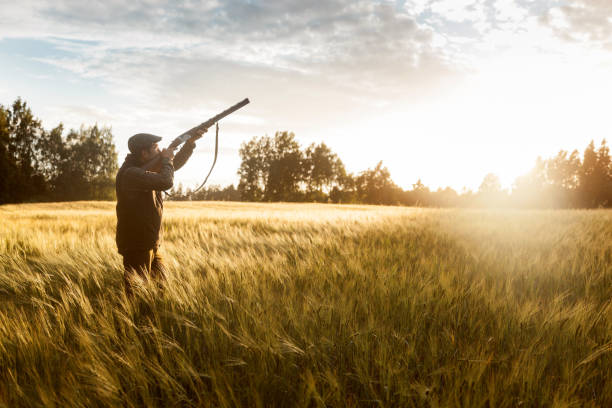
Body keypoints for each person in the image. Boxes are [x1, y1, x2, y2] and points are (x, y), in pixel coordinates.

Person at [115, 130, 205, 297]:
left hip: (150, 242)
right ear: (144, 153)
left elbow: (172, 166)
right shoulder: (130, 174)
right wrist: (167, 159)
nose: (160, 150)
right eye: (156, 147)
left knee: (161, 292)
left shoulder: (142, 170)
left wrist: (189, 143)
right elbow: (166, 180)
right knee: (136, 296)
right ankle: (131, 323)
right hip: (137, 245)